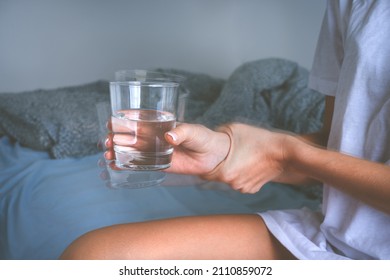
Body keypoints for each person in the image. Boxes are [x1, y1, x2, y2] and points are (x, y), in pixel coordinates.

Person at [60, 0, 390, 259]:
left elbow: (303, 157)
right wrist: (222, 156)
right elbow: (335, 151)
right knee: (92, 257)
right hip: (339, 239)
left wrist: (283, 152)